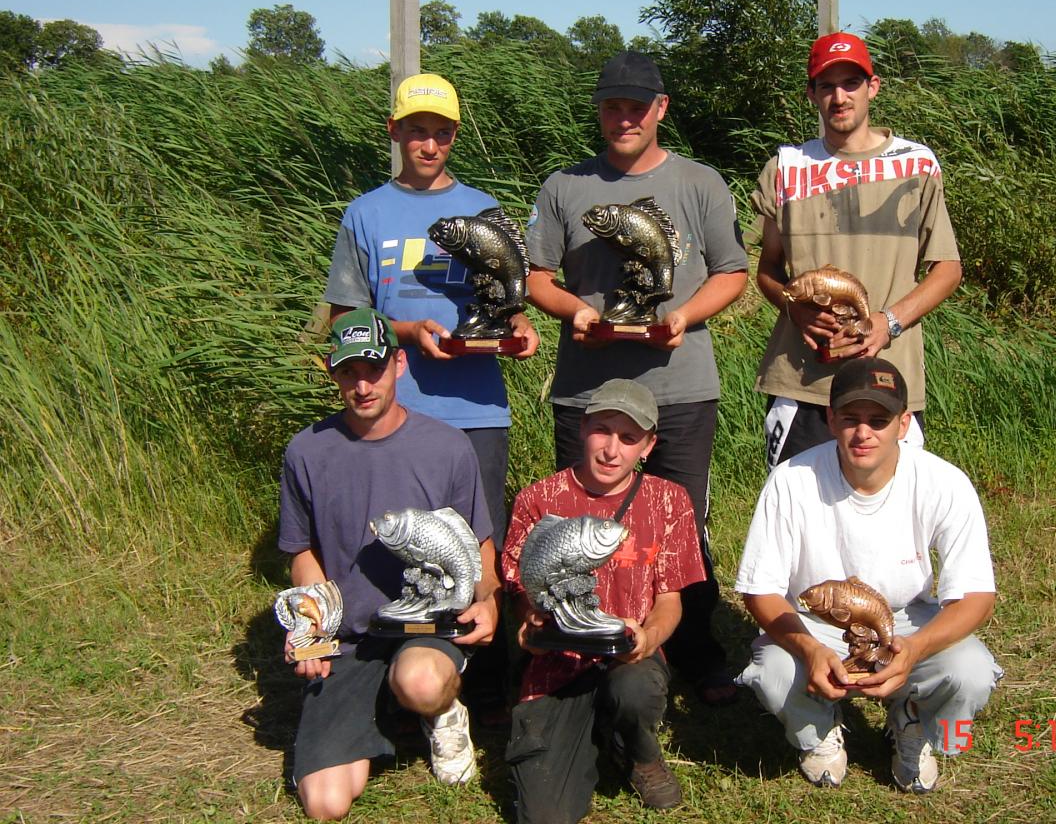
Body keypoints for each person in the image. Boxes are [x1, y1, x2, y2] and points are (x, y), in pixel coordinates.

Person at [525, 51, 747, 705]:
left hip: (679, 383)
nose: (624, 119)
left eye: (636, 107)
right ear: (599, 111)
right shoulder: (564, 187)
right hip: (587, 388)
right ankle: (583, 645)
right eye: (612, 107)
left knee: (683, 526)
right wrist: (577, 311)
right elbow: (535, 277)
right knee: (583, 519)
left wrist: (681, 316)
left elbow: (731, 271)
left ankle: (695, 651)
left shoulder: (701, 184)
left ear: (661, 110)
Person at [324, 73, 537, 724]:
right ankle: (400, 676)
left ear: (454, 136)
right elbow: (342, 318)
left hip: (477, 409)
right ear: (395, 132)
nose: (429, 143)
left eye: (441, 132)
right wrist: (408, 334)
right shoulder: (366, 213)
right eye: (416, 130)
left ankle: (488, 686)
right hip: (395, 412)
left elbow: (514, 298)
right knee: (400, 548)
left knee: (482, 547)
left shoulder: (484, 206)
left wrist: (521, 332)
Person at [735, 357, 1001, 793]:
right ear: (829, 418)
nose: (863, 434)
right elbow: (760, 591)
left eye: (879, 420)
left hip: (908, 620)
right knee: (772, 670)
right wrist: (808, 650)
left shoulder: (944, 481)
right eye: (850, 418)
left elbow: (976, 596)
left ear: (903, 423)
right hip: (817, 624)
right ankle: (817, 731)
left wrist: (913, 649)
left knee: (971, 669)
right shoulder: (790, 479)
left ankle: (914, 723)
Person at [277, 308, 501, 820]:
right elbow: (302, 553)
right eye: (349, 372)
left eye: (373, 369)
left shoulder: (448, 446)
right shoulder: (306, 451)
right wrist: (310, 626)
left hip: (427, 628)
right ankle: (376, 709)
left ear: (399, 365)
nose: (362, 386)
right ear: (332, 373)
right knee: (325, 804)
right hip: (350, 636)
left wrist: (489, 600)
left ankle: (440, 712)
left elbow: (478, 545)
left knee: (420, 680)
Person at [753, 32, 963, 467]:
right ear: (811, 93)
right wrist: (794, 309)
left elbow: (947, 269)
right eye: (826, 86)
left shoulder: (916, 163)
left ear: (874, 87)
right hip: (801, 383)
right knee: (796, 517)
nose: (839, 96)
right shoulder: (785, 168)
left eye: (851, 82)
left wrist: (889, 323)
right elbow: (767, 271)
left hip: (888, 380)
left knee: (890, 517)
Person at [501, 379, 706, 822]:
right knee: (543, 816)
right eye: (603, 431)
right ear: (582, 429)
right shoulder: (537, 499)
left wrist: (648, 639)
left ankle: (639, 751)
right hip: (557, 662)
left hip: (627, 656)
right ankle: (583, 738)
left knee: (634, 689)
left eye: (629, 438)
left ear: (648, 447)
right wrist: (530, 625)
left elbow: (670, 599)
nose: (612, 450)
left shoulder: (671, 501)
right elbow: (522, 589)